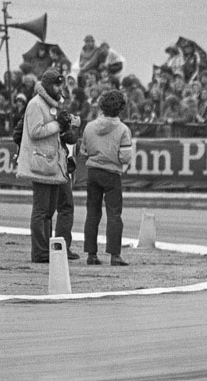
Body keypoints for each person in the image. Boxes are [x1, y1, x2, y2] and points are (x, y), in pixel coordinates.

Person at [15, 70, 79, 263]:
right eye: (57, 85)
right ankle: (39, 252)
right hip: (41, 163)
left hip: (52, 162)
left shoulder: (53, 103)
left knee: (49, 210)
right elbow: (35, 131)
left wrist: (67, 127)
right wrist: (58, 125)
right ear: (47, 85)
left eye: (61, 85)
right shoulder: (35, 104)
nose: (60, 88)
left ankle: (46, 249)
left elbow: (53, 132)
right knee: (41, 210)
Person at [80, 90, 133, 266]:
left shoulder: (89, 127)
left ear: (101, 106)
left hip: (93, 172)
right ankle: (115, 255)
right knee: (114, 214)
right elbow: (125, 157)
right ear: (121, 109)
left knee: (92, 213)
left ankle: (91, 254)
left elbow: (83, 151)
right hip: (112, 174)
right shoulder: (123, 129)